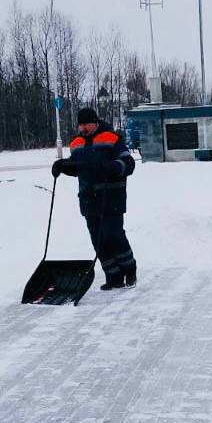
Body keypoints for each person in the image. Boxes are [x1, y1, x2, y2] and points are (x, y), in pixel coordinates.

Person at [51, 107, 138, 290]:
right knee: (98, 240)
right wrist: (62, 166)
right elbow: (77, 168)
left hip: (111, 198)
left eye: (86, 124)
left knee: (113, 235)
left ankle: (129, 270)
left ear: (95, 122)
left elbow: (128, 164)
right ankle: (113, 276)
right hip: (89, 200)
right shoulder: (76, 144)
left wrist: (112, 167)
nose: (83, 128)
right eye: (81, 125)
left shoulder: (112, 138)